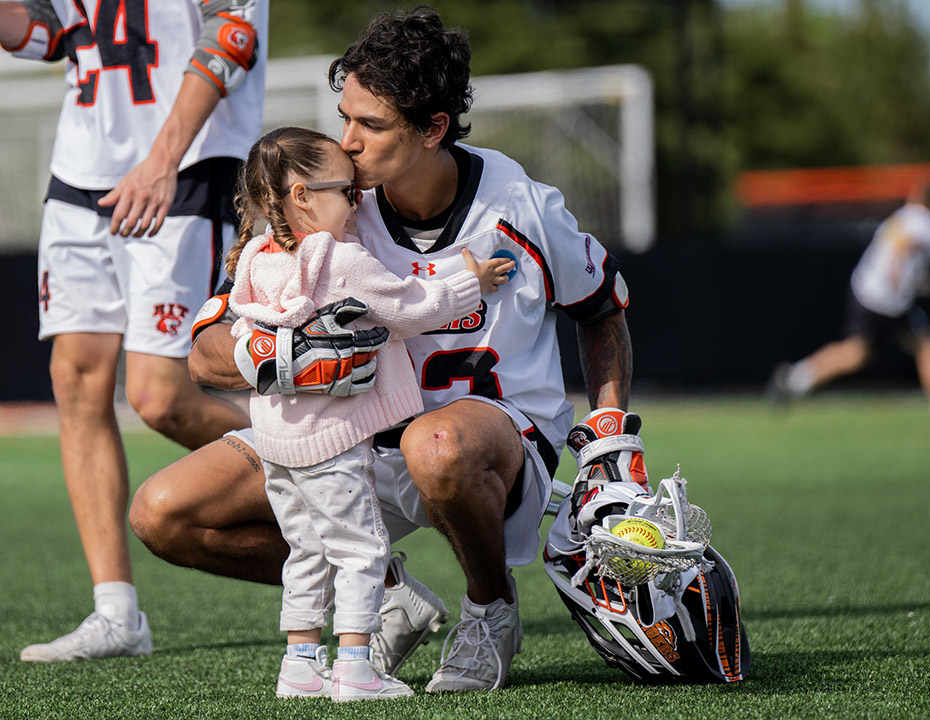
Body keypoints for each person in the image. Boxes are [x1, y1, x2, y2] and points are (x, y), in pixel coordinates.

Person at [128, 6, 634, 693]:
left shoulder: (521, 203)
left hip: (487, 440)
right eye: (344, 117)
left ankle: (490, 606)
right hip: (353, 441)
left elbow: (602, 312)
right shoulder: (325, 199)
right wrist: (292, 356)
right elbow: (208, 351)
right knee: (163, 513)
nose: (347, 141)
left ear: (433, 129)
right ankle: (387, 590)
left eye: (370, 125)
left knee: (438, 446)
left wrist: (606, 434)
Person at [0, 0, 267, 662]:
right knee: (76, 381)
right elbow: (53, 31)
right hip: (82, 167)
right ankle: (116, 611)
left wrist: (161, 157)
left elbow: (232, 31)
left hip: (183, 162)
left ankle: (353, 534)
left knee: (160, 396)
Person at [228, 126, 513, 700]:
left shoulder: (256, 259)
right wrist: (472, 282)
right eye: (347, 192)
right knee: (360, 551)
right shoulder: (341, 260)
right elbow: (411, 307)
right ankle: (355, 669)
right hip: (333, 441)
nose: (359, 202)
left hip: (277, 445)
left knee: (306, 551)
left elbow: (240, 334)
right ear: (303, 196)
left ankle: (300, 666)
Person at [767, 182, 930, 440]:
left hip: (865, 288)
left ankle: (794, 379)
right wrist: (898, 266)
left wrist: (912, 275)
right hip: (889, 299)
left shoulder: (902, 216)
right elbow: (907, 244)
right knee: (927, 345)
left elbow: (905, 254)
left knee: (856, 353)